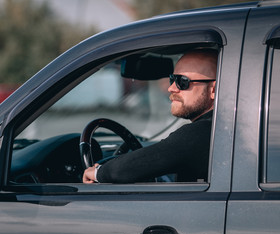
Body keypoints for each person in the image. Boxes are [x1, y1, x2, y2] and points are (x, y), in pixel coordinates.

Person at [82, 49, 218, 184]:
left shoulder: (201, 133)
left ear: (213, 90)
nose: (171, 88)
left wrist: (98, 172)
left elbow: (121, 171)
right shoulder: (220, 128)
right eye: (172, 79)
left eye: (182, 81)